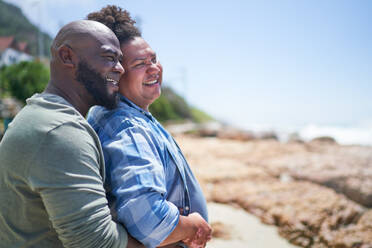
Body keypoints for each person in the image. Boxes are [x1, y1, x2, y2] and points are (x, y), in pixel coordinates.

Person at [0, 20, 144, 248]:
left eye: (120, 59)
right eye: (109, 57)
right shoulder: (59, 130)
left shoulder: (42, 115)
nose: (120, 68)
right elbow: (95, 242)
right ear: (67, 56)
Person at [87, 6, 212, 248]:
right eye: (140, 64)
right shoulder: (127, 127)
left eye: (153, 59)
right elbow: (149, 221)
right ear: (116, 74)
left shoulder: (124, 115)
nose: (154, 68)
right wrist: (193, 227)